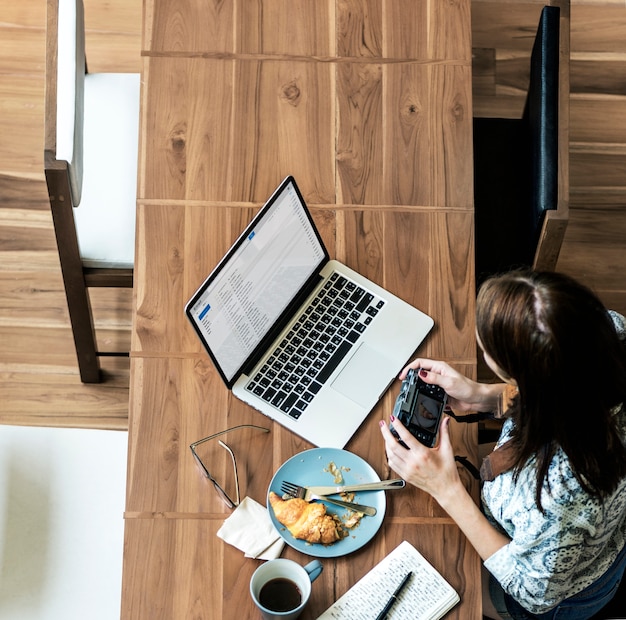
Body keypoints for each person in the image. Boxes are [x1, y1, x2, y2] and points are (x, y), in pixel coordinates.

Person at [380, 270, 626, 619]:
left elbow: (534, 593)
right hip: (555, 532)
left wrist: (446, 489)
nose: (482, 356)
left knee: (443, 585)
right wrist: (487, 397)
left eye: (488, 355)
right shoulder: (609, 334)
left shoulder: (562, 495)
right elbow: (564, 391)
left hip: (559, 591)